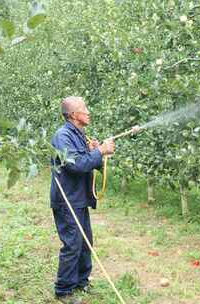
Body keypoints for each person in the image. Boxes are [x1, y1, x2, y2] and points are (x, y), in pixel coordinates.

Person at [49, 96, 115, 303]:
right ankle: (64, 291)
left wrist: (95, 151)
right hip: (67, 200)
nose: (88, 112)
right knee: (72, 244)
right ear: (73, 115)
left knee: (86, 242)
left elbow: (87, 161)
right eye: (84, 109)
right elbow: (75, 165)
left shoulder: (78, 135)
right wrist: (100, 151)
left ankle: (81, 281)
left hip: (78, 198)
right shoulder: (63, 136)